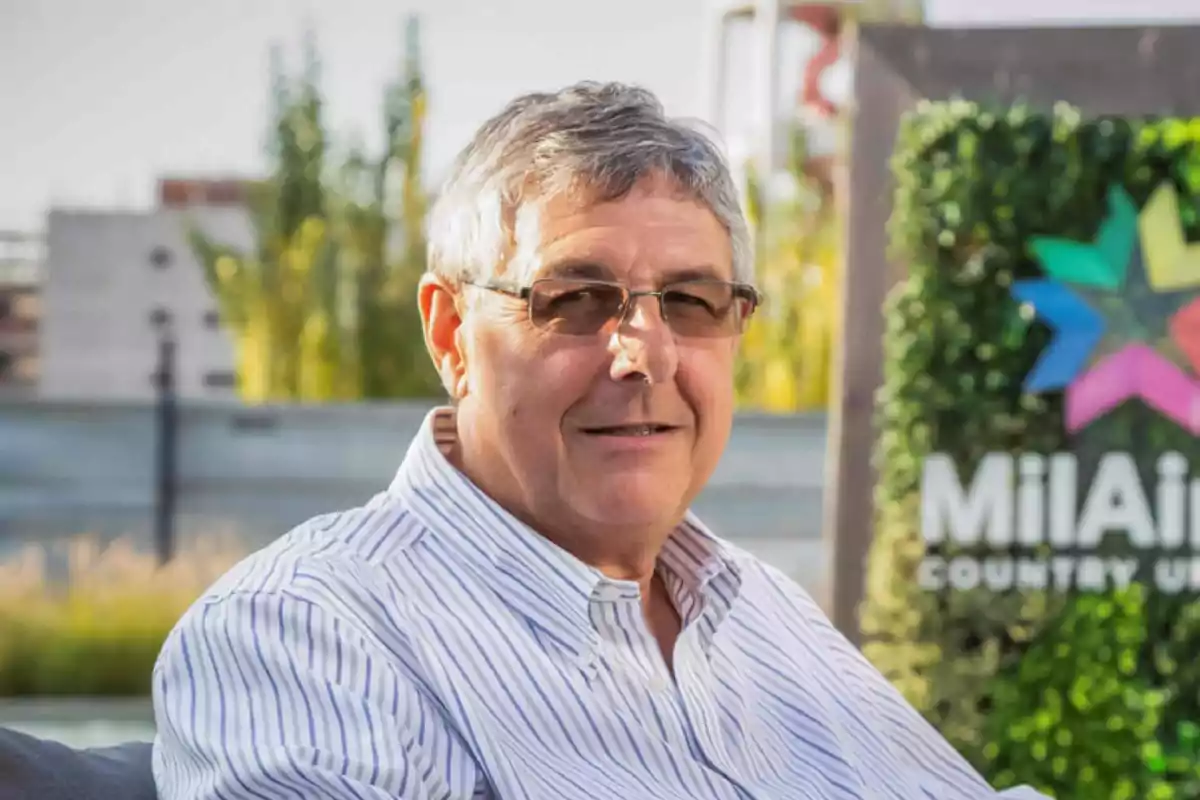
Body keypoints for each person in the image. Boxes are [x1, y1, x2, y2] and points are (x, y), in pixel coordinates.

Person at [152, 81, 1048, 800]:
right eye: (574, 299)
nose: (645, 353)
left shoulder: (764, 614)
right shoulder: (306, 636)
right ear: (450, 334)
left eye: (694, 302)